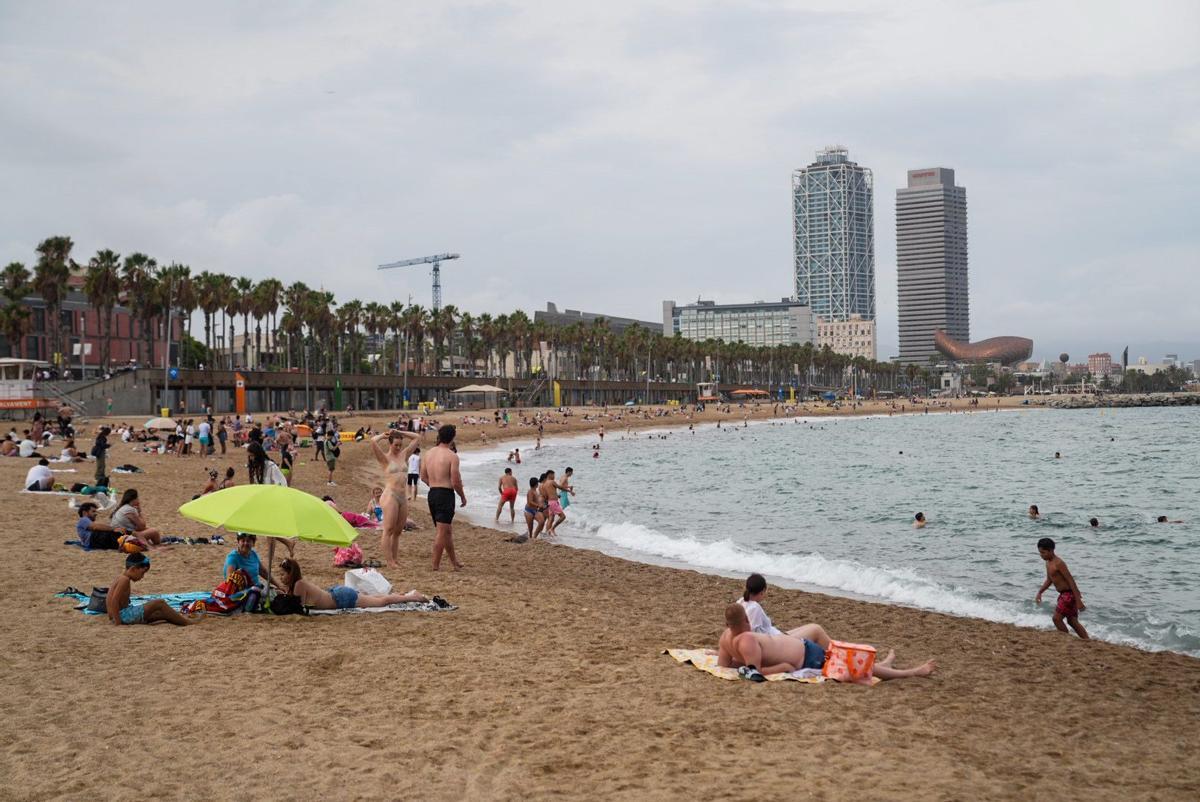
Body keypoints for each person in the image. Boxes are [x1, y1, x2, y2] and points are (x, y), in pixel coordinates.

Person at [718, 604, 935, 680]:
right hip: (812, 656)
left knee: (853, 660)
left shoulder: (725, 638)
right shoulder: (747, 640)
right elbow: (755, 672)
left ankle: (884, 666)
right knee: (856, 664)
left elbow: (726, 665)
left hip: (807, 649)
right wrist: (781, 667)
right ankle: (912, 672)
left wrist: (746, 664)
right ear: (746, 619)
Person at [277, 558, 429, 609]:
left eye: (283, 574)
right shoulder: (297, 584)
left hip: (341, 598)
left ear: (291, 574)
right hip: (337, 595)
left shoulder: (299, 585)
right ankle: (406, 595)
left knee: (382, 601)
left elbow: (298, 607)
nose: (281, 577)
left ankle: (413, 597)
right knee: (379, 598)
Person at [370, 430, 421, 569]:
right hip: (390, 495)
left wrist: (400, 432)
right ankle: (389, 561)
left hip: (402, 496)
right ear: (390, 444)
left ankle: (395, 559)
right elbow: (373, 441)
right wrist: (383, 435)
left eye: (400, 445)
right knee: (389, 529)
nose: (398, 448)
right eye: (396, 445)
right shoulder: (384, 458)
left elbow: (417, 437)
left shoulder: (404, 455)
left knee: (398, 531)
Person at [420, 424, 466, 571]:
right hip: (445, 494)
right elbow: (456, 481)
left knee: (446, 531)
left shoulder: (428, 453)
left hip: (432, 493)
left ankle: (454, 562)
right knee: (441, 532)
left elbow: (423, 477)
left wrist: (434, 486)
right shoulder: (452, 456)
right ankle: (435, 565)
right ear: (452, 437)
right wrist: (463, 497)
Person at [107, 553, 198, 626]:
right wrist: (118, 622)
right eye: (142, 573)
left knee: (160, 614)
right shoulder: (125, 580)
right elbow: (114, 600)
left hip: (120, 615)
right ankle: (187, 622)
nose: (142, 577)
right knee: (160, 603)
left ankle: (183, 619)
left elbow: (109, 599)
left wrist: (112, 616)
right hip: (123, 616)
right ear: (133, 569)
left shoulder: (120, 577)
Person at [1035, 537, 1088, 639]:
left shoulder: (1059, 563)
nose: (1041, 555)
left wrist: (1078, 600)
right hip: (1063, 595)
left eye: (1043, 552)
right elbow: (1049, 580)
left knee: (1056, 619)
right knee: (1072, 621)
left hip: (1068, 595)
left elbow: (1070, 580)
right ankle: (1087, 640)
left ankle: (1066, 638)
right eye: (1040, 553)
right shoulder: (1048, 563)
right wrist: (1040, 592)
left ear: (1051, 550)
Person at [540, 470, 562, 535]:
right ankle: (547, 531)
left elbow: (546, 494)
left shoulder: (541, 485)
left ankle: (544, 531)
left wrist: (556, 495)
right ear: (545, 478)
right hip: (547, 503)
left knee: (546, 518)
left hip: (545, 503)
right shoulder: (544, 485)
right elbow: (546, 495)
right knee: (550, 518)